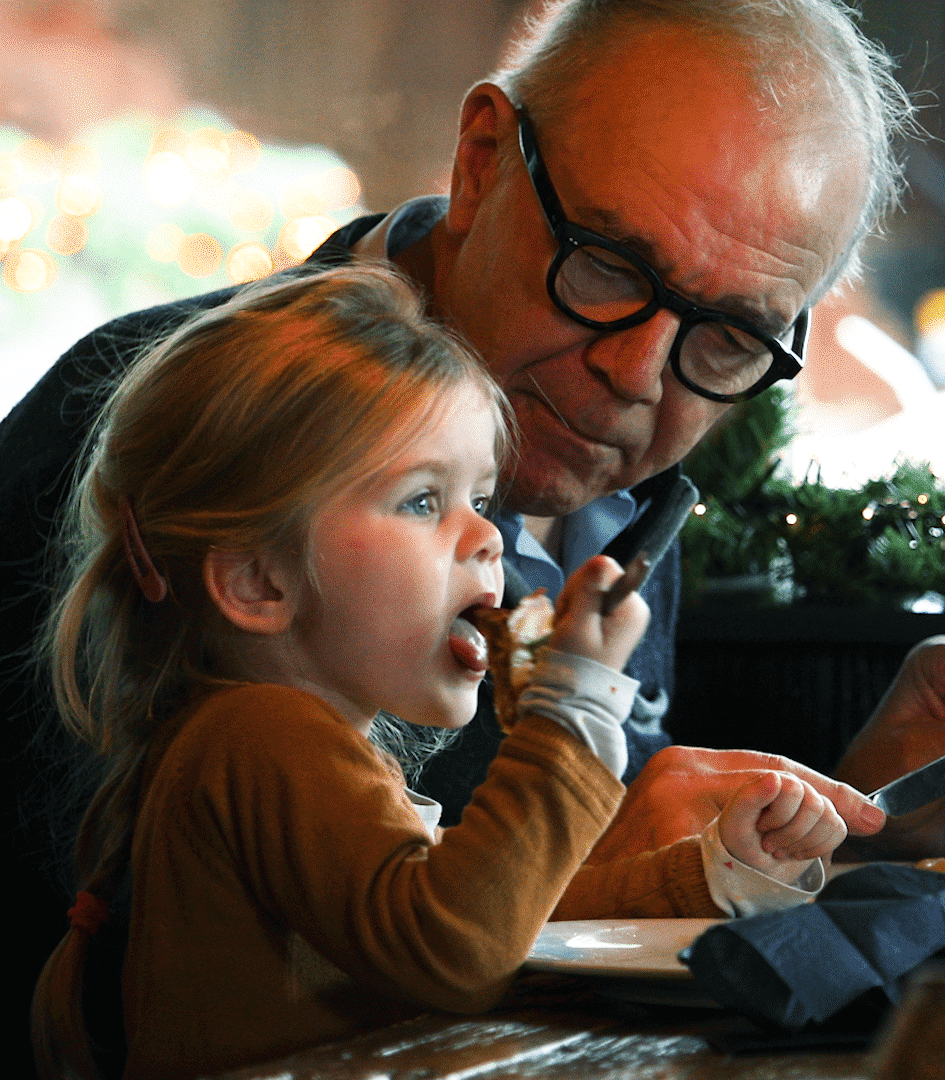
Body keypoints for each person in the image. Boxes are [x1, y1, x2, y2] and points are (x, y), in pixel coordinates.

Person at [0, 0, 945, 883]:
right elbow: (99, 937)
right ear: (478, 163)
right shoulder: (161, 426)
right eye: (606, 266)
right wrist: (597, 864)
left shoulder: (624, 493)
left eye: (731, 336)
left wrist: (856, 818)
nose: (638, 376)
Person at [31, 265, 867, 1080]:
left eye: (482, 497)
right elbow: (456, 948)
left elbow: (508, 917)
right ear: (260, 581)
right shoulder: (261, 737)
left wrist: (709, 874)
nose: (489, 537)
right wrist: (572, 713)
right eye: (424, 501)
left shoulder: (304, 743)